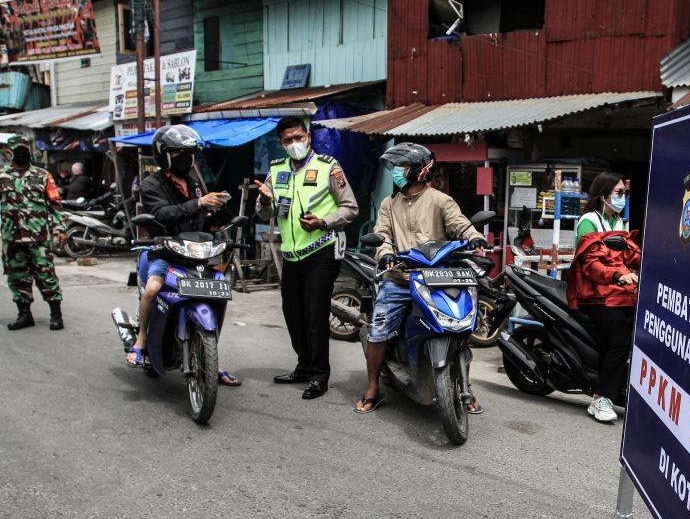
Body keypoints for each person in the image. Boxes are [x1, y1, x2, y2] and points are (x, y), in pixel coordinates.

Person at [354, 142, 489, 414]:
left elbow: (460, 224)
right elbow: (383, 236)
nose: (396, 172)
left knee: (460, 329)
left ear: (417, 170)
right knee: (378, 331)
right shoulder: (388, 204)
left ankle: (466, 386)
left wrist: (474, 238)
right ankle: (372, 387)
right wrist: (385, 254)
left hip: (436, 278)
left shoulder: (440, 200)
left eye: (400, 167)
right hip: (399, 278)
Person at [255, 116, 359, 400]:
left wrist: (323, 221)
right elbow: (265, 213)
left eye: (298, 138)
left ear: (308, 137)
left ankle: (319, 375)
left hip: (321, 250)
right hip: (291, 253)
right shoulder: (276, 171)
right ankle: (303, 365)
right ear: (281, 143)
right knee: (293, 313)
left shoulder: (328, 167)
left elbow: (350, 208)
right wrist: (264, 200)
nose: (294, 144)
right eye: (287, 140)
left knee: (315, 314)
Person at [129, 124, 241, 387]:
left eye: (189, 154)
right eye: (179, 153)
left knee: (219, 291)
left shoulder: (194, 183)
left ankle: (211, 356)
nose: (186, 159)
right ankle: (142, 338)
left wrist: (218, 212)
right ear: (164, 155)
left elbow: (206, 218)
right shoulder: (151, 184)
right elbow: (164, 214)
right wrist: (199, 204)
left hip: (197, 253)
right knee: (153, 287)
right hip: (165, 251)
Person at [566, 227, 641, 423]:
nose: (621, 198)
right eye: (618, 193)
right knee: (620, 343)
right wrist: (618, 276)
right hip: (599, 300)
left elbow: (638, 258)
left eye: (624, 194)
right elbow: (594, 267)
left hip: (625, 297)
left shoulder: (623, 239)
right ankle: (600, 398)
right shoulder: (593, 239)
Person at [1, 135, 67, 331]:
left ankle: (56, 314)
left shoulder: (43, 175)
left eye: (25, 149)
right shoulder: (2, 176)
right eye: (18, 150)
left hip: (39, 238)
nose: (22, 153)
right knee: (17, 277)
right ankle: (24, 314)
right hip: (12, 237)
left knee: (46, 276)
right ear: (10, 152)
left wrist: (60, 229)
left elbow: (55, 205)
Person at [575, 172, 628, 249]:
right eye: (619, 192)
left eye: (625, 192)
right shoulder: (589, 220)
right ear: (603, 197)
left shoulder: (618, 222)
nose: (623, 196)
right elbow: (590, 254)